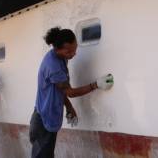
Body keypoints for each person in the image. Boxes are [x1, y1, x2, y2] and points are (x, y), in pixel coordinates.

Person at [30, 27, 114, 158]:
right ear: (57, 49)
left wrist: (69, 107)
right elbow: (70, 92)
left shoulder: (58, 57)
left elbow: (59, 90)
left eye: (75, 49)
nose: (73, 53)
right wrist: (96, 84)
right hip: (44, 121)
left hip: (43, 115)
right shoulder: (54, 66)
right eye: (69, 51)